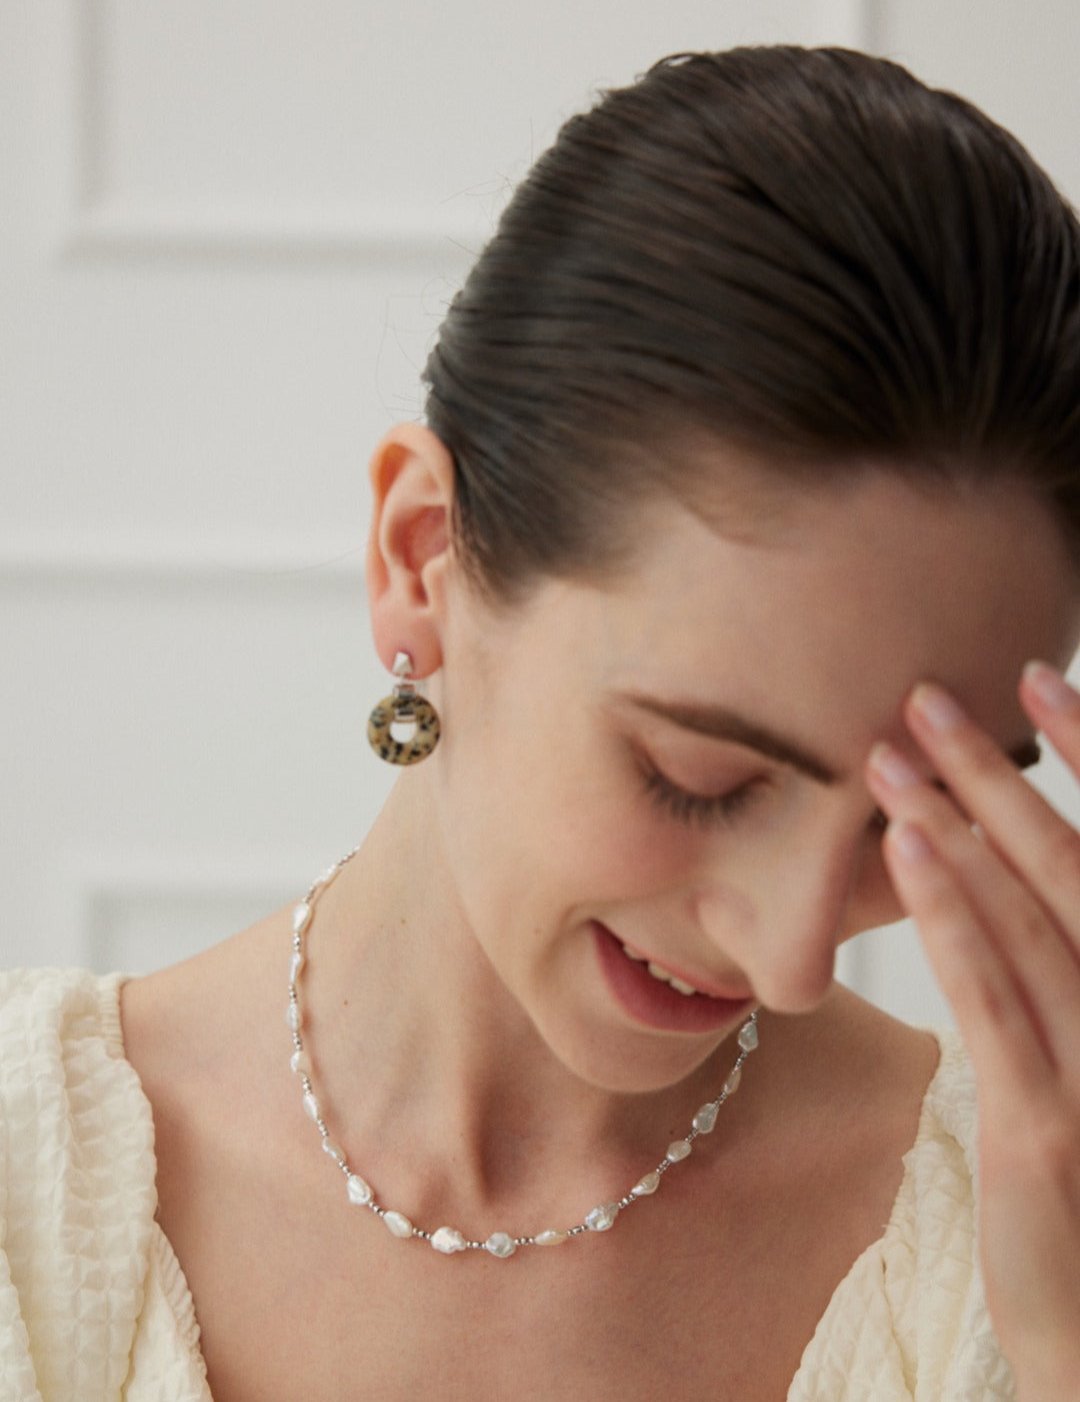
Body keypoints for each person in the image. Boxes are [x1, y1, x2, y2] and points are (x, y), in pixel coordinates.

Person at [2, 42, 1079, 1402]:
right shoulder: (21, 1202)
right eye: (698, 775)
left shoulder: (1015, 1249)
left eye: (918, 815)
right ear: (420, 555)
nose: (800, 955)